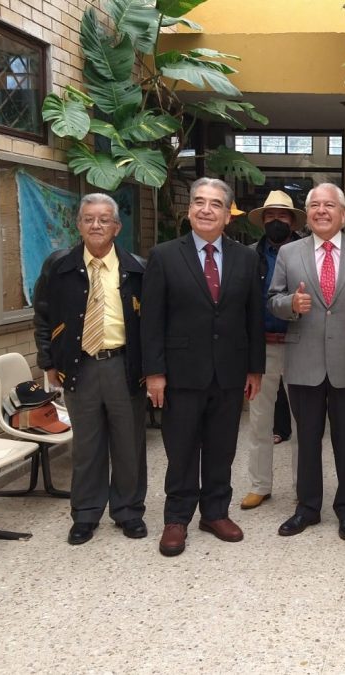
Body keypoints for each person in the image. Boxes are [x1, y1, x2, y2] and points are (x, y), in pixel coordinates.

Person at [141, 177, 265, 557]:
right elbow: (151, 319)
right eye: (199, 202)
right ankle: (176, 518)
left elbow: (253, 317)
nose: (206, 209)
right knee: (180, 450)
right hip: (181, 372)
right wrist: (154, 372)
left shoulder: (246, 258)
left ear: (228, 215)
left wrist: (255, 369)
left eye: (215, 204)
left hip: (229, 371)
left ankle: (214, 513)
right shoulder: (164, 255)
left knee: (221, 447)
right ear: (189, 210)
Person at [33, 194, 148, 545]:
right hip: (79, 366)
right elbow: (43, 315)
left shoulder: (137, 268)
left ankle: (128, 511)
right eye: (89, 219)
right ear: (79, 225)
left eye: (104, 219)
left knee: (129, 445)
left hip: (124, 365)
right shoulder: (59, 266)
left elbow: (152, 322)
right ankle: (85, 514)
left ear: (117, 227)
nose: (96, 225)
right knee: (86, 446)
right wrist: (48, 362)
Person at [268, 183, 345, 541]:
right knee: (307, 439)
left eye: (329, 205)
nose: (321, 211)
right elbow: (273, 299)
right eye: (314, 205)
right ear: (307, 214)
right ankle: (307, 508)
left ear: (343, 214)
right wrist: (290, 305)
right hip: (303, 361)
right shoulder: (289, 253)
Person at [240, 190, 304, 510]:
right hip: (261, 347)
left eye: (281, 216)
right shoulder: (248, 255)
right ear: (262, 221)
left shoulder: (305, 253)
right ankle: (259, 485)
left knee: (303, 422)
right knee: (259, 421)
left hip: (299, 345)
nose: (275, 221)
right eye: (270, 216)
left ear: (292, 221)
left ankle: (303, 487)